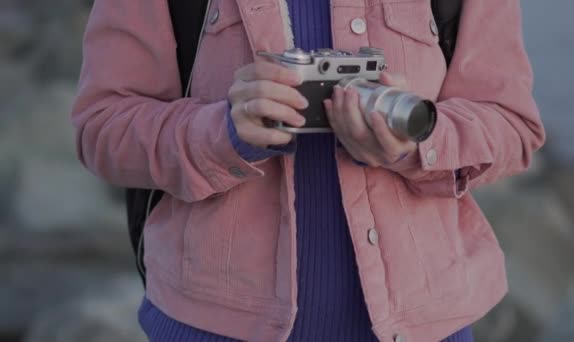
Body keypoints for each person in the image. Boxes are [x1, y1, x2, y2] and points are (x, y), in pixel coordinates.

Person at [71, 0, 545, 340]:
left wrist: (418, 141)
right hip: (209, 326)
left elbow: (512, 124)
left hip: (424, 324)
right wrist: (221, 131)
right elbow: (102, 128)